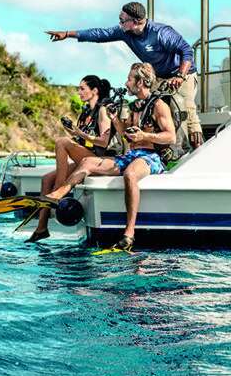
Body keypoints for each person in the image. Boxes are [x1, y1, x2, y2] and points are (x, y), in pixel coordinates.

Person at [44, 63, 173, 253]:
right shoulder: (134, 106)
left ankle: (129, 234)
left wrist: (145, 136)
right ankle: (57, 195)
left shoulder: (159, 105)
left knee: (130, 174)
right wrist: (115, 119)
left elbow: (171, 136)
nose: (126, 83)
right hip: (131, 154)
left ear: (141, 82)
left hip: (151, 156)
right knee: (87, 162)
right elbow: (125, 135)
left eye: (130, 79)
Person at [46, 1, 203, 149]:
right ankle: (164, 155)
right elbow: (100, 34)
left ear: (135, 22)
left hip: (183, 74)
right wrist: (67, 34)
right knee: (153, 111)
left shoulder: (161, 33)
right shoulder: (125, 32)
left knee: (185, 113)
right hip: (159, 77)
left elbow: (186, 50)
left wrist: (180, 76)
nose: (119, 23)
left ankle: (197, 154)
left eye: (122, 20)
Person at [27, 74, 115, 243]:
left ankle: (58, 192)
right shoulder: (85, 112)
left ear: (94, 91)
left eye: (82, 88)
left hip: (100, 159)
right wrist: (73, 132)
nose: (79, 92)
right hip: (86, 156)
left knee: (61, 142)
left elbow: (104, 142)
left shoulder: (102, 110)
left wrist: (79, 134)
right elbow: (81, 140)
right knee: (46, 179)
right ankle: (41, 228)